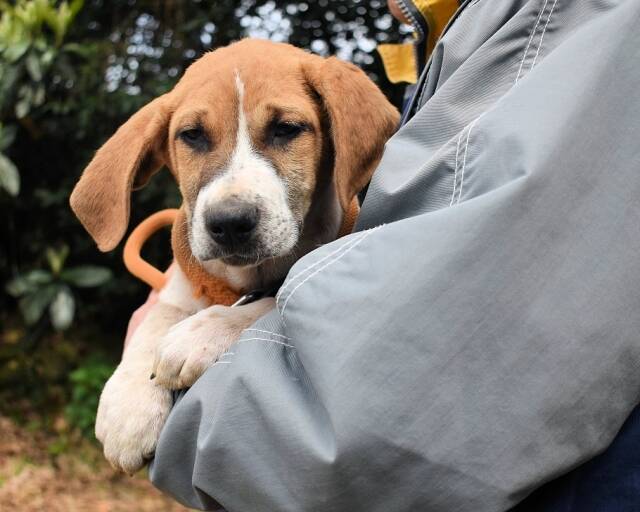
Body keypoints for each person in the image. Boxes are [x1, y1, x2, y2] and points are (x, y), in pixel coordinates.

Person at [125, 0, 640, 509]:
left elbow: (379, 370)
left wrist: (195, 394)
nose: (232, 197)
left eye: (285, 130)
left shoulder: (559, 23)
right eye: (193, 136)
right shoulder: (452, 41)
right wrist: (144, 354)